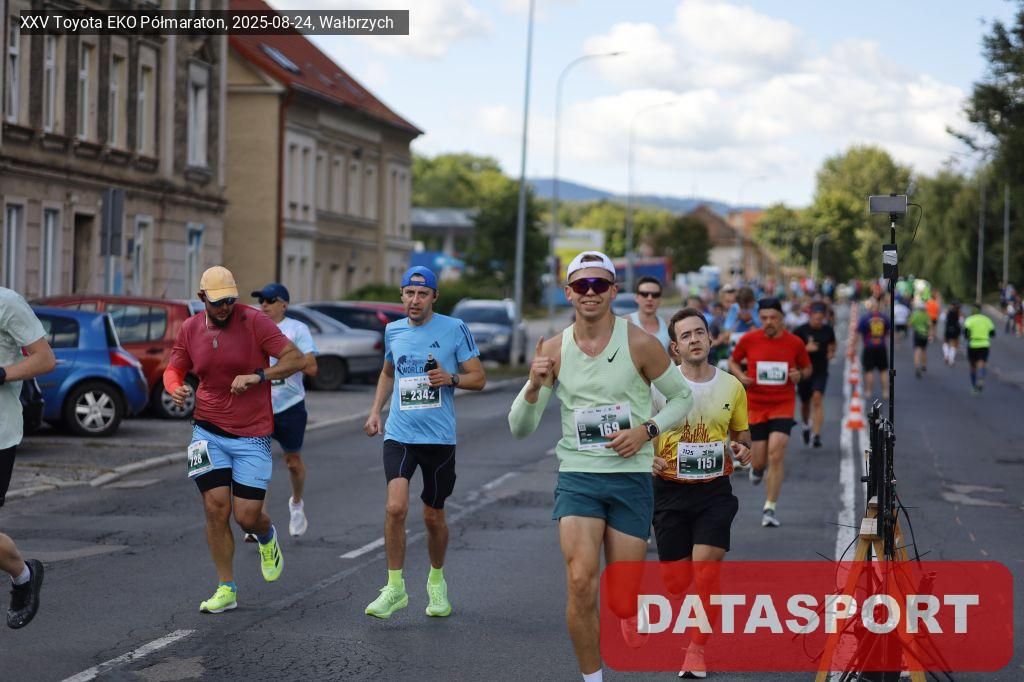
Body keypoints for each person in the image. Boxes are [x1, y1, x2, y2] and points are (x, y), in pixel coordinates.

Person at [508, 251, 693, 682]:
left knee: (622, 594)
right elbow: (520, 428)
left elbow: (682, 397)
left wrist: (645, 431)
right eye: (581, 285)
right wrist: (533, 385)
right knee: (579, 582)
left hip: (630, 477)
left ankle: (627, 611)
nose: (589, 293)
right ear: (568, 292)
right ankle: (593, 678)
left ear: (613, 291)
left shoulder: (640, 344)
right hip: (578, 477)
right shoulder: (553, 349)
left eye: (599, 285)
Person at [164, 266, 306, 614]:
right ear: (202, 298)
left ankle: (266, 536)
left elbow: (295, 359)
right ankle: (226, 588)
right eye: (217, 302)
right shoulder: (190, 328)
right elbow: (174, 369)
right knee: (215, 509)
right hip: (207, 430)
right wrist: (175, 387)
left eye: (230, 300)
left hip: (252, 435)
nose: (225, 307)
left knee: (246, 516)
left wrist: (259, 376)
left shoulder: (254, 321)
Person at [362, 266, 486, 619]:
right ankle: (395, 587)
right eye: (409, 293)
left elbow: (479, 378)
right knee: (395, 508)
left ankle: (436, 580)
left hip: (438, 439)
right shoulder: (393, 330)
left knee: (433, 516)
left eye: (422, 294)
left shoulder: (454, 328)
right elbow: (388, 372)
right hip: (400, 433)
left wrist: (451, 378)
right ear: (401, 295)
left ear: (434, 297)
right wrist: (375, 411)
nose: (415, 300)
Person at [651, 307, 751, 678]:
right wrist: (648, 458)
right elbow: (641, 432)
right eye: (686, 336)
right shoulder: (659, 387)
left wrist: (742, 449)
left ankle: (696, 650)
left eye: (699, 332)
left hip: (714, 492)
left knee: (706, 572)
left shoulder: (732, 386)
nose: (694, 340)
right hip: (669, 491)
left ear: (710, 338)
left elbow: (742, 436)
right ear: (675, 348)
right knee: (676, 582)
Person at [729, 298, 811, 528]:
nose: (768, 322)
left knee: (776, 454)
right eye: (764, 318)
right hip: (756, 406)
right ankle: (757, 470)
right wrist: (741, 376)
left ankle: (770, 507)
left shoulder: (795, 342)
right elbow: (733, 361)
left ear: (782, 318)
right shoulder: (749, 339)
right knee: (758, 462)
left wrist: (800, 375)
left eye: (773, 318)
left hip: (783, 405)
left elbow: (807, 367)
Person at [0, 288, 56, 629]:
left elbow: (44, 359)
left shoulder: (6, 303)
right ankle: (24, 576)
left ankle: (23, 576)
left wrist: (3, 373)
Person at [250, 283, 318, 538]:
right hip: (259, 406)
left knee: (293, 463)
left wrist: (286, 360)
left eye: (270, 300)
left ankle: (296, 504)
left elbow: (312, 368)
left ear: (284, 304)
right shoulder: (253, 328)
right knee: (258, 464)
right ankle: (258, 519)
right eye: (261, 300)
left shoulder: (297, 329)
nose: (264, 305)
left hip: (290, 406)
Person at [793, 302, 836, 448]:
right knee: (805, 403)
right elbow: (791, 351)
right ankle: (806, 425)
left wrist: (831, 352)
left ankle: (816, 435)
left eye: (820, 318)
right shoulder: (800, 331)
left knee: (817, 398)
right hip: (804, 372)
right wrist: (806, 349)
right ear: (810, 316)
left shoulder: (828, 330)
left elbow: (832, 344)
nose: (817, 321)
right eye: (815, 318)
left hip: (820, 370)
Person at [857, 298, 891, 402]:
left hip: (869, 346)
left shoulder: (865, 318)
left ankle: (868, 391)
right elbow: (889, 331)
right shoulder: (884, 318)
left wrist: (856, 346)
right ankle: (885, 392)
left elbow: (859, 332)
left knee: (869, 370)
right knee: (883, 370)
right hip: (881, 346)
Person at [628, 276, 671, 351]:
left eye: (655, 295)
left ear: (660, 299)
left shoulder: (668, 327)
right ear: (637, 297)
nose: (650, 298)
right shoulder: (624, 323)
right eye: (644, 294)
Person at [963, 308, 996, 394]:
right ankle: (981, 376)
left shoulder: (969, 320)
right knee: (982, 362)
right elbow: (993, 333)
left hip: (973, 344)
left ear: (972, 313)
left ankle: (974, 386)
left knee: (972, 366)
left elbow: (965, 333)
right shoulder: (987, 319)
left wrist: (970, 336)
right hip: (984, 344)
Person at [908, 302, 933, 378]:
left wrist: (915, 325)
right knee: (924, 350)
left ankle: (917, 367)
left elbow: (909, 324)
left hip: (917, 334)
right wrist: (930, 335)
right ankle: (924, 366)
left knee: (917, 350)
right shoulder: (926, 315)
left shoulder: (915, 314)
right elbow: (930, 325)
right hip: (925, 334)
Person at [942, 302, 962, 367]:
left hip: (948, 328)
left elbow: (942, 318)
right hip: (956, 329)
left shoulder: (947, 312)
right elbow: (961, 322)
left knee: (945, 342)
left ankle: (946, 356)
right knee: (954, 344)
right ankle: (951, 360)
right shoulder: (959, 313)